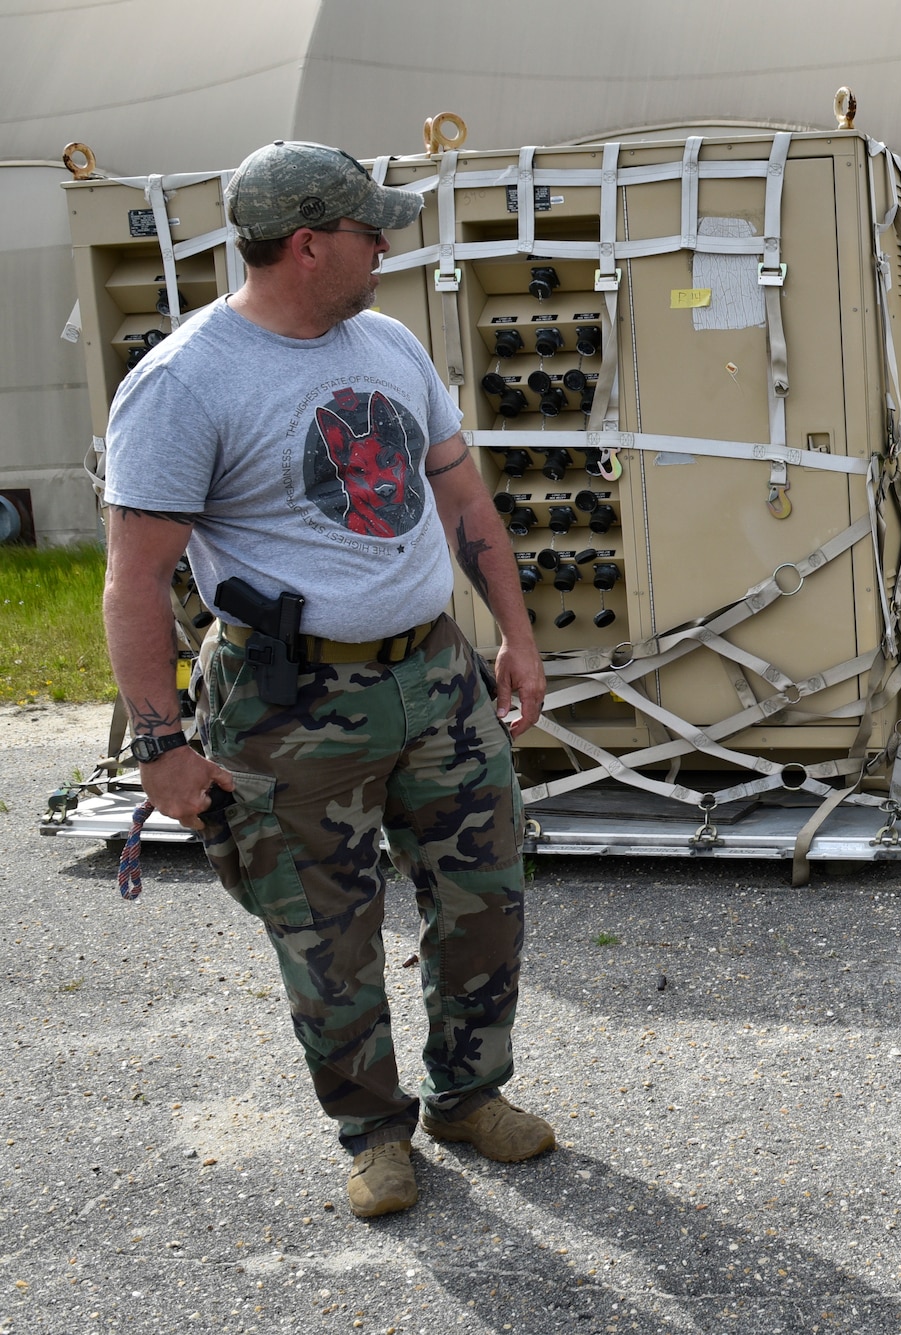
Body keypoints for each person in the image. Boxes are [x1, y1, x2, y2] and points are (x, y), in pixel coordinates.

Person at [101, 140, 554, 1219]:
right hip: (286, 700)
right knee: (328, 931)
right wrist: (161, 744)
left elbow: (461, 502)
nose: (385, 243)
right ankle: (373, 1131)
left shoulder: (387, 343)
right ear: (308, 246)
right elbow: (135, 580)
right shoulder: (184, 382)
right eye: (367, 230)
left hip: (434, 676)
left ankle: (467, 1097)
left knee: (483, 902)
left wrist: (517, 636)